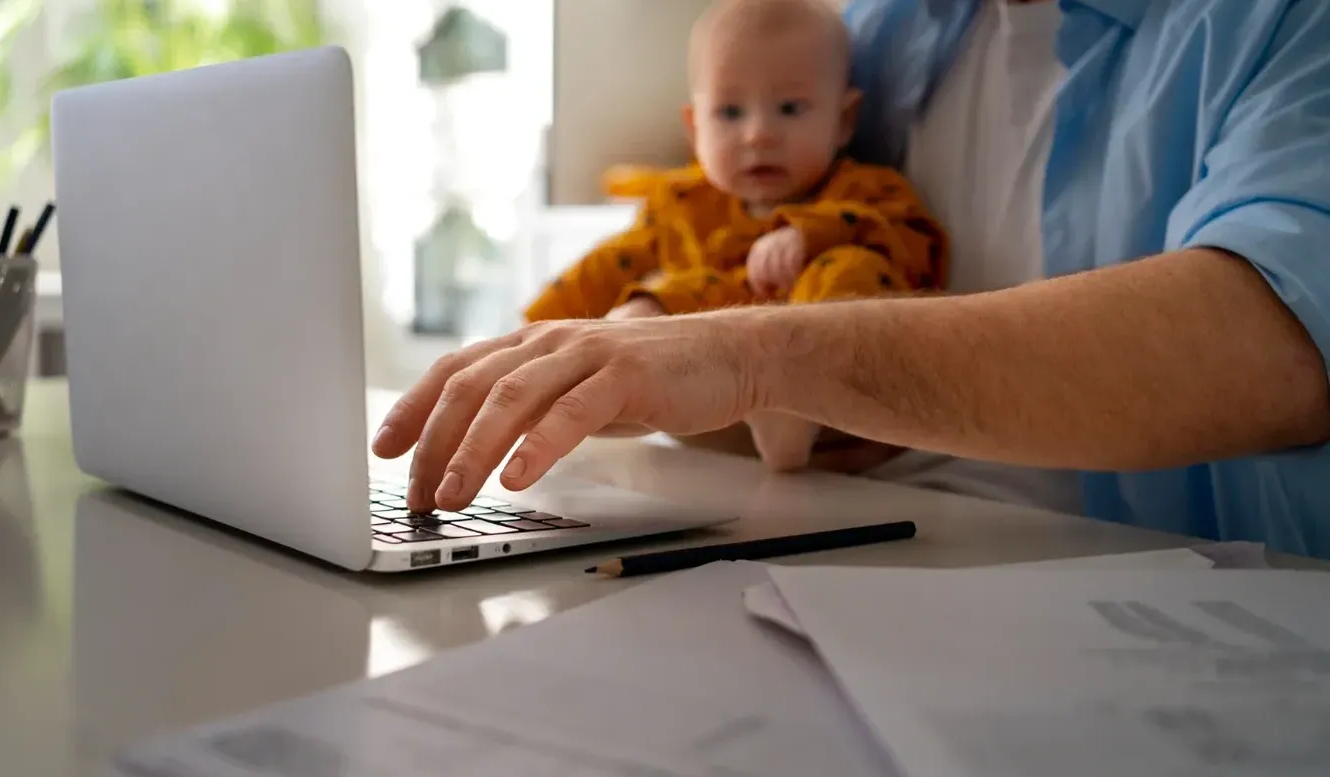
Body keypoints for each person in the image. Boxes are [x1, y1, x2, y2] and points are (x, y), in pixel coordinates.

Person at [374, 0, 1330, 560]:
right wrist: (637, 363)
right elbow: (797, 364)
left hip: (1172, 592)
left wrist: (759, 353)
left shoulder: (1279, 27)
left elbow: (1278, 341)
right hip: (848, 544)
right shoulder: (869, 29)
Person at [522, 0, 948, 472]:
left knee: (851, 268)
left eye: (789, 108)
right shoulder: (682, 203)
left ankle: (796, 407)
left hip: (826, 393)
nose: (758, 134)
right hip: (705, 416)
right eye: (729, 112)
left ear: (844, 119)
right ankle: (591, 382)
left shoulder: (862, 190)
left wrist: (809, 235)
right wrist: (533, 334)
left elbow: (914, 240)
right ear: (694, 127)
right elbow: (606, 265)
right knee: (650, 302)